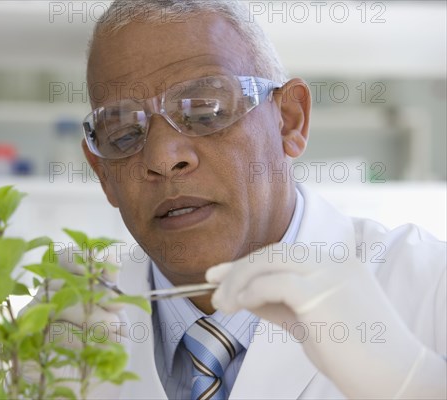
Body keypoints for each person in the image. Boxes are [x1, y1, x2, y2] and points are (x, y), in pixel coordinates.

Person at [47, 1, 446, 398]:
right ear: (102, 173)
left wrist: (418, 386)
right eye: (123, 135)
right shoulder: (65, 329)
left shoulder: (429, 288)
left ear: (290, 120)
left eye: (205, 112)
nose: (163, 159)